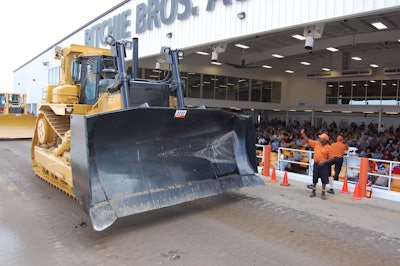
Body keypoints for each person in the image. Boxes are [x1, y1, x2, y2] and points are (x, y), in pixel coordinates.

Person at [301, 129, 332, 200]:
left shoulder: (329, 148)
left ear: (325, 140)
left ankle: (323, 193)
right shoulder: (316, 143)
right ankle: (313, 191)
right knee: (315, 178)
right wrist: (303, 134)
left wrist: (324, 162)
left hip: (323, 165)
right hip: (316, 164)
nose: (319, 139)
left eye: (321, 138)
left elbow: (331, 158)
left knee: (324, 180)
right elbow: (308, 140)